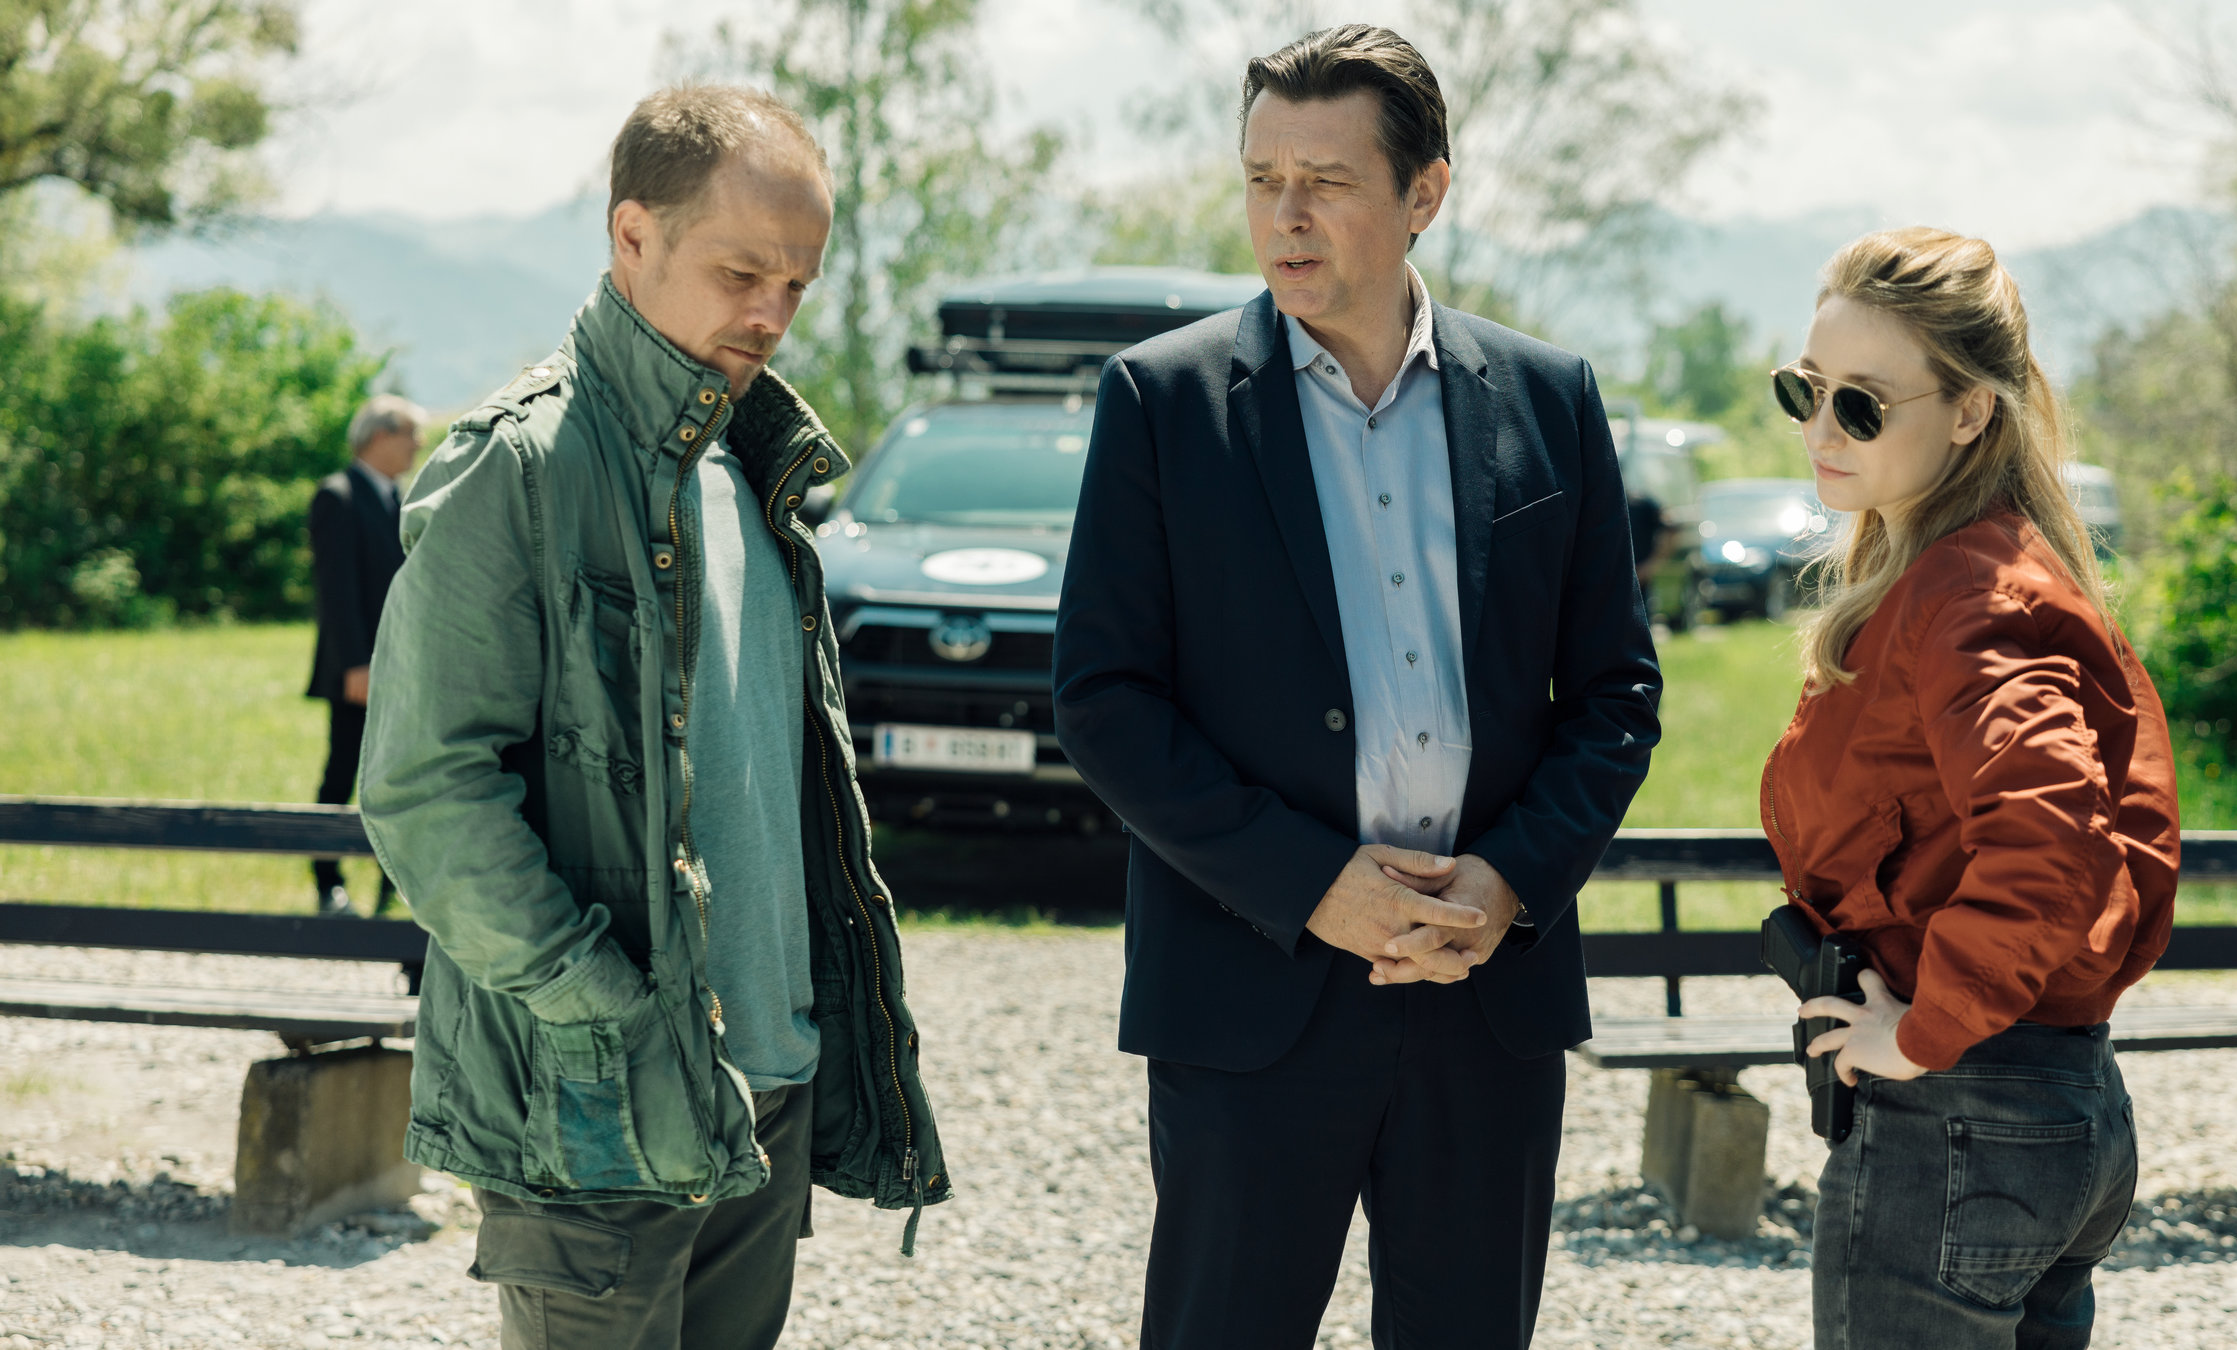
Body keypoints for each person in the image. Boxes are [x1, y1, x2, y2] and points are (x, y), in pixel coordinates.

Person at [1052, 25, 1661, 1350]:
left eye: (1324, 179)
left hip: (1480, 991)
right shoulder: (1161, 403)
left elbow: (1614, 692)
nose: (1285, 212)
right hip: (1250, 985)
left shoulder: (1549, 398)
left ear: (1422, 193)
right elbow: (1102, 698)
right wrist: (1312, 885)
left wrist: (1505, 885)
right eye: (1263, 175)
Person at [358, 85, 949, 1350]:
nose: (769, 315)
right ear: (632, 237)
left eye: (795, 285)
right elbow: (422, 787)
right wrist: (606, 1008)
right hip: (602, 1098)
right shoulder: (516, 467)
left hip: (763, 1091)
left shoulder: (752, 459)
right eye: (742, 271)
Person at [1761, 227, 2179, 1349]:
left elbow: (2053, 846)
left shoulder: (1973, 595)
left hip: (1962, 1114)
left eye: (1860, 405)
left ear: (1966, 413)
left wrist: (1920, 1034)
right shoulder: (1966, 572)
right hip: (2040, 1107)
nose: (1817, 428)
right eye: (1803, 389)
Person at [305, 393, 423, 917]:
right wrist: (356, 663)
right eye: (410, 435)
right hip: (360, 672)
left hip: (398, 669)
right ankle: (328, 881)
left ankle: (390, 887)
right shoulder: (338, 496)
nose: (418, 446)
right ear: (380, 435)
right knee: (343, 773)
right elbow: (336, 591)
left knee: (396, 777)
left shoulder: (398, 498)